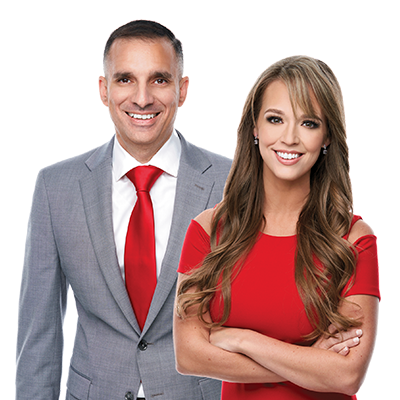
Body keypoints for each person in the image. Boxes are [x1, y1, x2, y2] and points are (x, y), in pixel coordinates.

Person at [16, 20, 232, 400]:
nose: (143, 98)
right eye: (125, 79)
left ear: (182, 90)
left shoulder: (232, 184)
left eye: (160, 80)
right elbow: (40, 331)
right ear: (104, 89)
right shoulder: (57, 188)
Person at [174, 55, 380, 399]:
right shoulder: (208, 231)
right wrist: (313, 363)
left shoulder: (353, 240)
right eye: (275, 119)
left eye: (309, 123)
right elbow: (188, 355)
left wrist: (241, 339)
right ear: (255, 127)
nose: (289, 138)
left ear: (327, 135)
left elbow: (346, 375)